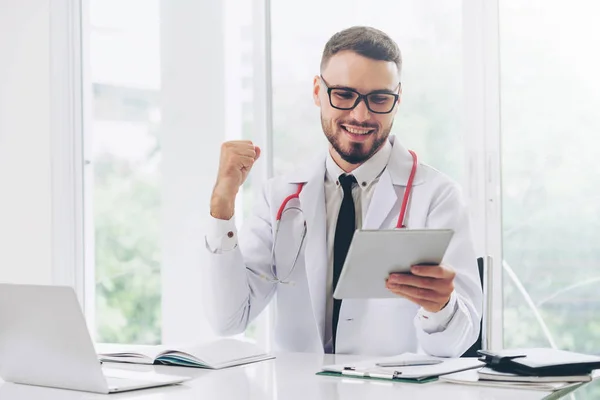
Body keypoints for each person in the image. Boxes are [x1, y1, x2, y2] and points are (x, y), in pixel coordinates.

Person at [204, 26, 482, 357]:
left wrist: (442, 308)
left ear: (398, 99)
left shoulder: (437, 196)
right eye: (344, 95)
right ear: (317, 91)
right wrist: (223, 207)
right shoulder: (280, 197)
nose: (361, 115)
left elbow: (456, 343)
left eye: (379, 98)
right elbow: (229, 320)